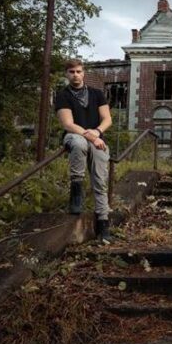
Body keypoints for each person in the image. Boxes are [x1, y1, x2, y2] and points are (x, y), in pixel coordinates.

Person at [55, 59, 113, 244]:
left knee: (100, 179)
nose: (75, 75)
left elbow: (107, 119)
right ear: (67, 74)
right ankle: (76, 192)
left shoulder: (96, 94)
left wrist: (97, 132)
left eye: (79, 71)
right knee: (79, 142)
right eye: (71, 72)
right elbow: (68, 124)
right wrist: (92, 137)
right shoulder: (63, 95)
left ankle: (103, 222)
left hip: (97, 139)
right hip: (74, 136)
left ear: (84, 73)